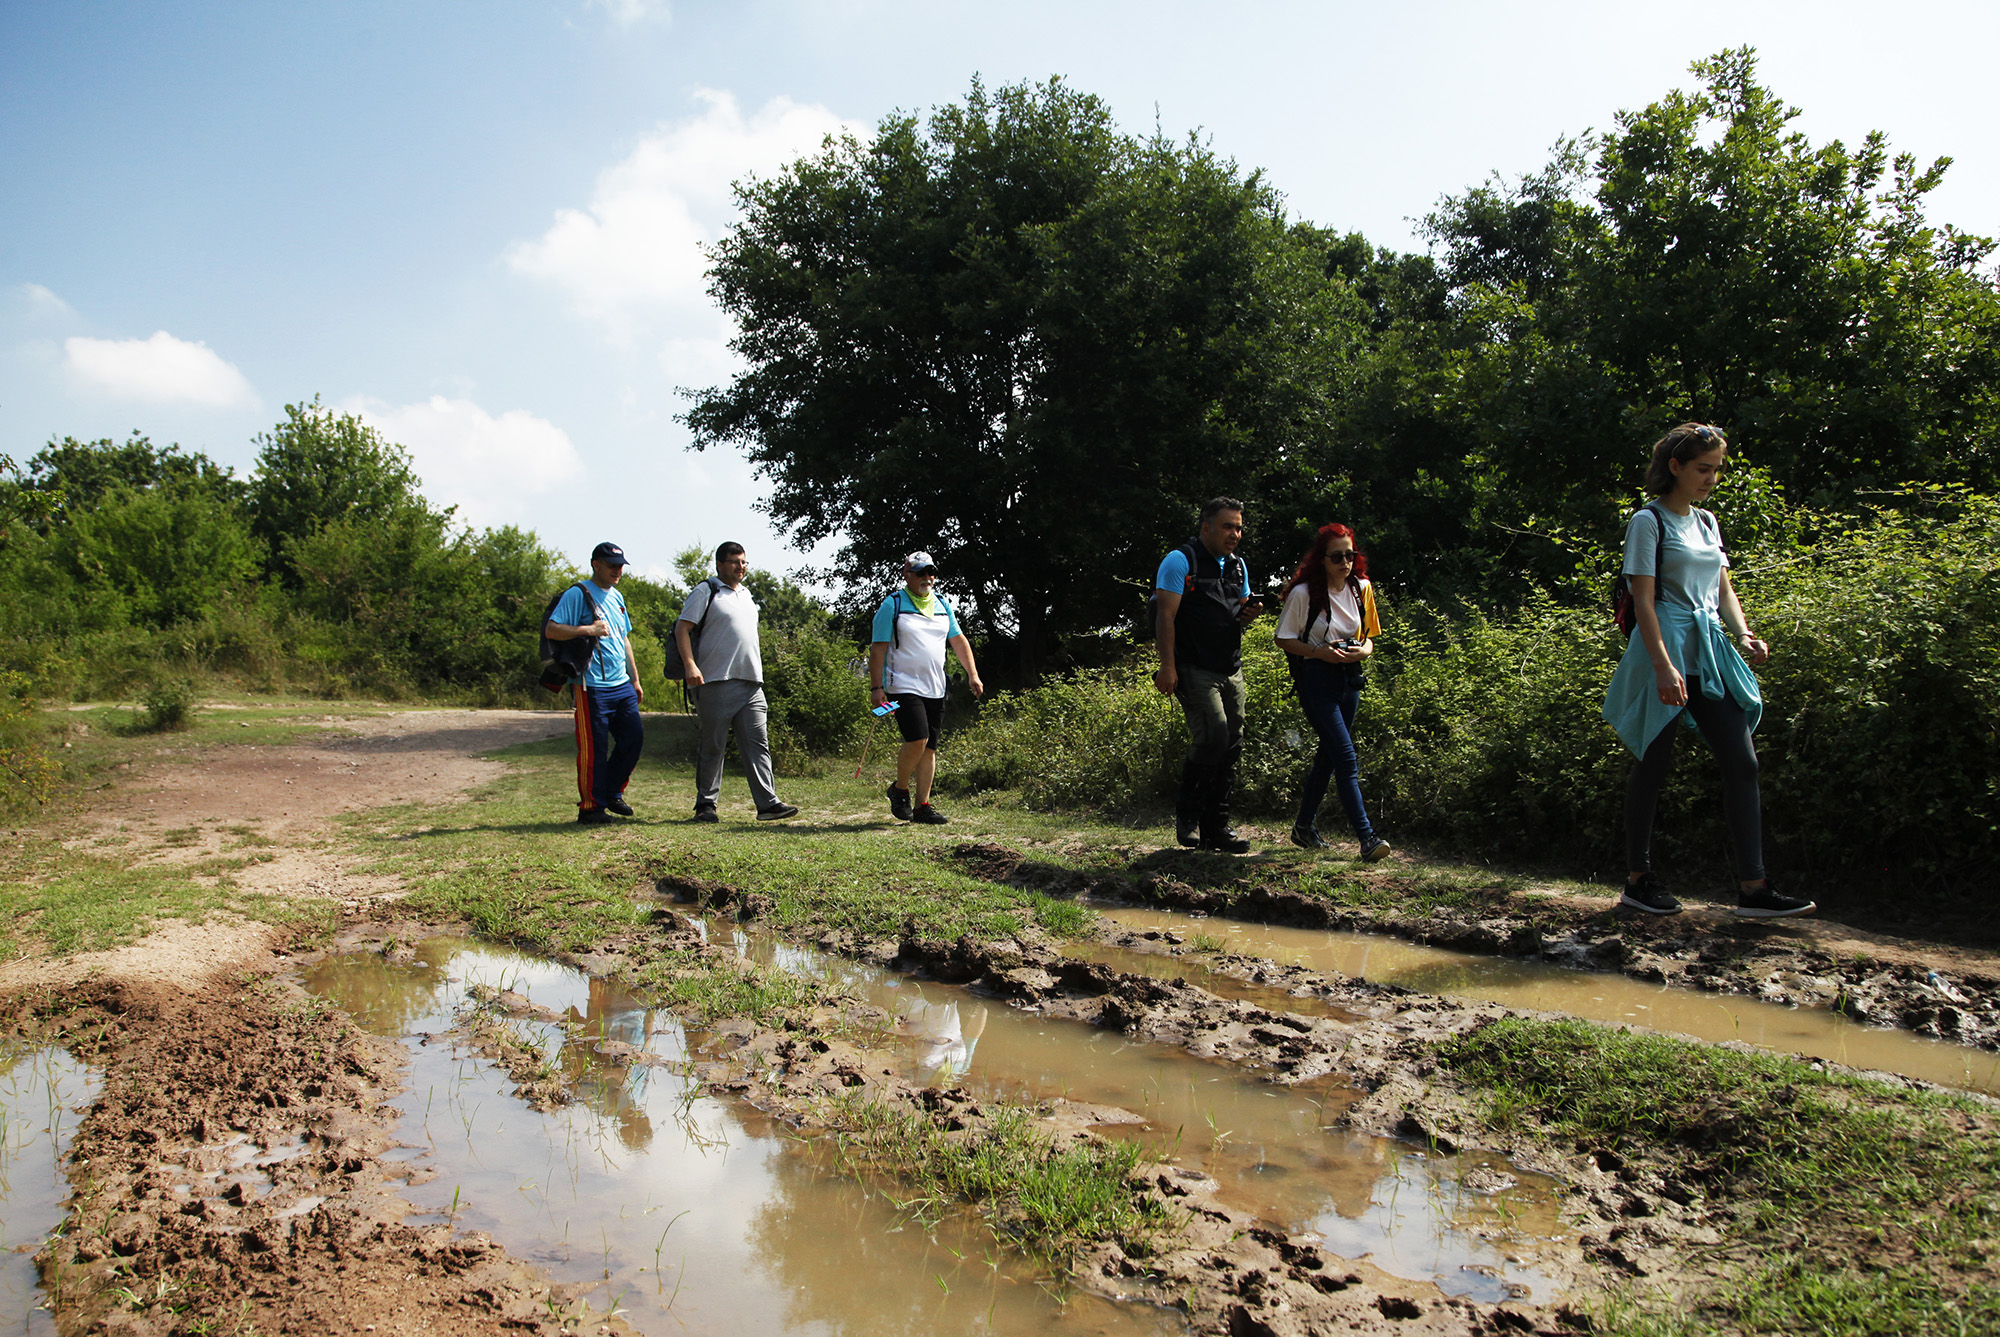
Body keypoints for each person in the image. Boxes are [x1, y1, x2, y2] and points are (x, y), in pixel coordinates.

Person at [1602, 423, 1815, 919]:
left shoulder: (1707, 522)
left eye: (1717, 469)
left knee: (1743, 763)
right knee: (1652, 765)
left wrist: (1743, 634)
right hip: (1664, 651)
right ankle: (1638, 879)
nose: (1711, 478)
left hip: (1710, 652)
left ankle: (1754, 888)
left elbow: (1722, 588)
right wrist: (1662, 666)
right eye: (1703, 468)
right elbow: (1644, 600)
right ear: (1674, 467)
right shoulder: (1648, 522)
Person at [1274, 523, 1391, 860]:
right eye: (1336, 556)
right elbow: (1283, 638)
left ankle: (1303, 827)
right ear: (1321, 559)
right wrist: (1319, 652)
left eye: (1350, 555)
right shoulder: (1304, 594)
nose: (1344, 562)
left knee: (1328, 757)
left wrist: (1364, 651)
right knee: (1345, 756)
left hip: (1349, 678)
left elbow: (1369, 635)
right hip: (1316, 680)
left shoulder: (1361, 588)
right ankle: (1367, 837)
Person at [1153, 498, 1264, 853]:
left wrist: (1251, 613)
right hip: (1193, 667)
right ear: (1206, 528)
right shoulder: (1179, 560)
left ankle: (1217, 827)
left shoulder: (1237, 566)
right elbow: (1165, 616)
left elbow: (1236, 610)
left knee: (1232, 743)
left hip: (1230, 667)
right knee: (1213, 734)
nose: (1236, 534)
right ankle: (1188, 816)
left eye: (1239, 527)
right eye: (1228, 526)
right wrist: (1167, 666)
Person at [675, 542, 799, 824]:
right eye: (734, 562)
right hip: (715, 680)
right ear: (720, 564)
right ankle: (706, 805)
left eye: (743, 562)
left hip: (751, 682)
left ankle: (768, 804)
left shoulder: (746, 595)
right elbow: (682, 628)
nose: (740, 567)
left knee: (758, 744)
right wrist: (690, 666)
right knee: (713, 745)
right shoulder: (707, 591)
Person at [868, 552, 984, 825]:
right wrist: (876, 688)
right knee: (917, 739)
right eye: (920, 572)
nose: (927, 578)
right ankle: (899, 789)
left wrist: (973, 675)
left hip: (935, 686)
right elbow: (878, 648)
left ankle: (922, 806)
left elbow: (958, 641)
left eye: (931, 572)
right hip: (902, 685)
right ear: (906, 574)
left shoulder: (943, 605)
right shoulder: (893, 604)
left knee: (930, 747)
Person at [544, 542, 644, 825]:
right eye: (612, 565)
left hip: (621, 684)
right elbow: (552, 628)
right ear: (595, 564)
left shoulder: (617, 596)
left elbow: (624, 638)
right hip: (591, 685)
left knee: (633, 739)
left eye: (621, 566)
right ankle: (591, 807)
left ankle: (611, 792)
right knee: (594, 748)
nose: (617, 571)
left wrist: (634, 678)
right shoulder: (578, 593)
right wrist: (589, 629)